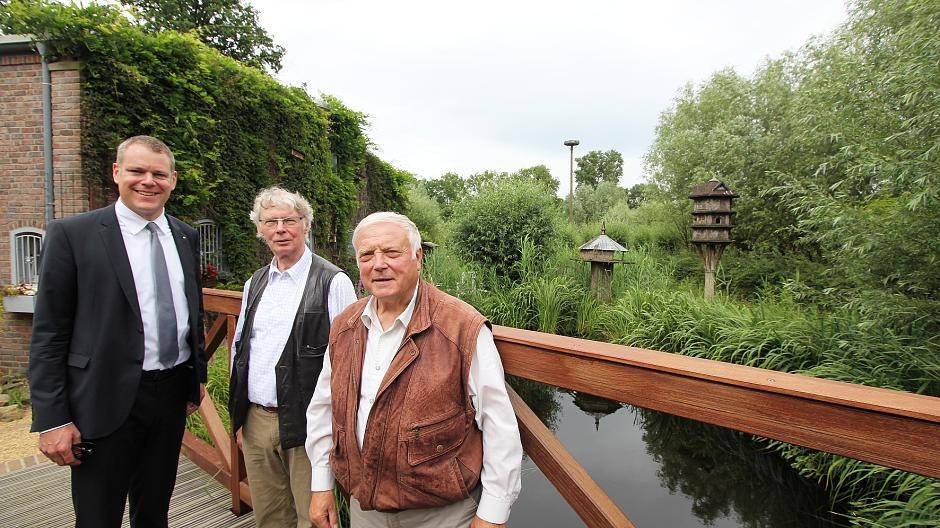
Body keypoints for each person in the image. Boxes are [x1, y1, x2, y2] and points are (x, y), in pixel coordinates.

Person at [28, 135, 207, 528]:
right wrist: (52, 419)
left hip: (169, 397)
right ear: (116, 173)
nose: (148, 181)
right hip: (101, 399)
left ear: (173, 179)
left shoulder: (185, 236)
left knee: (154, 512)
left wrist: (196, 380)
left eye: (159, 174)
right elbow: (49, 334)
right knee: (98, 517)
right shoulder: (73, 235)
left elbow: (193, 313)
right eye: (137, 171)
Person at [306, 212, 523, 528]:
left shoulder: (461, 326)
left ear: (418, 257)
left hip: (442, 514)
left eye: (391, 252)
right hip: (366, 510)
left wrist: (492, 514)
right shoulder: (345, 326)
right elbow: (324, 408)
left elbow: (498, 424)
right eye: (367, 255)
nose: (378, 264)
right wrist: (321, 483)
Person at [229, 187, 357, 528]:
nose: (280, 229)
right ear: (260, 229)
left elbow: (348, 361)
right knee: (269, 517)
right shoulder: (255, 282)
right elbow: (240, 348)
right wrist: (239, 417)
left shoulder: (333, 281)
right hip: (256, 420)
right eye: (270, 222)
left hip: (307, 425)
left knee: (313, 519)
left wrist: (338, 430)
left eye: (289, 220)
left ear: (305, 224)